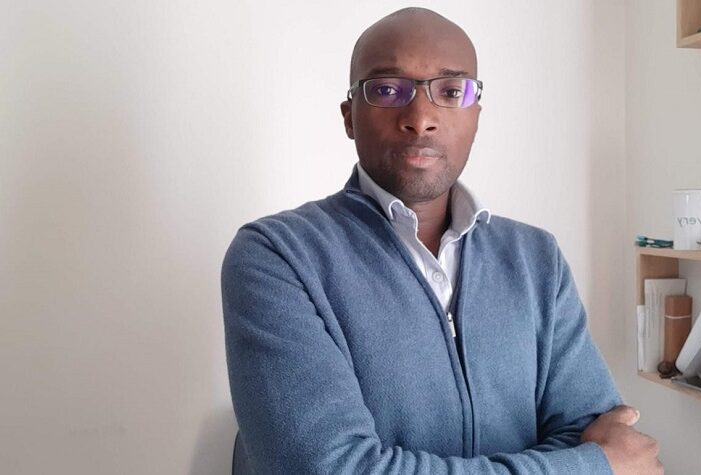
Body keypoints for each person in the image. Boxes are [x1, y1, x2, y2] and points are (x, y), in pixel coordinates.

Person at [222, 7, 662, 474]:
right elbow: (327, 468)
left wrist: (591, 459)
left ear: (476, 116)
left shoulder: (536, 259)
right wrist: (586, 467)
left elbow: (598, 432)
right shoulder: (277, 255)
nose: (421, 118)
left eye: (451, 91)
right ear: (350, 117)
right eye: (387, 90)